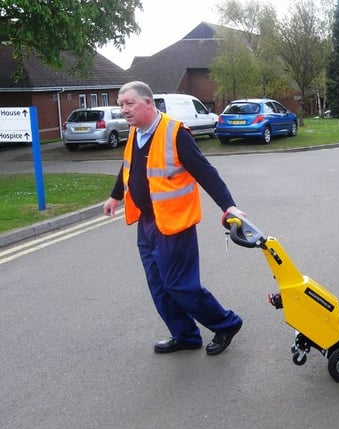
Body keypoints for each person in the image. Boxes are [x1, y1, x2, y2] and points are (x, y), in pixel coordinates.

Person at [103, 81, 243, 356]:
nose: (124, 110)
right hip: (147, 223)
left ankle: (226, 323)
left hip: (175, 224)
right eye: (121, 105)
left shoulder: (175, 133)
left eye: (129, 104)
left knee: (179, 284)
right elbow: (128, 166)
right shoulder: (136, 132)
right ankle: (185, 335)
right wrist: (115, 195)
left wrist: (229, 206)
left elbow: (206, 172)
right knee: (159, 286)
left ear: (148, 103)